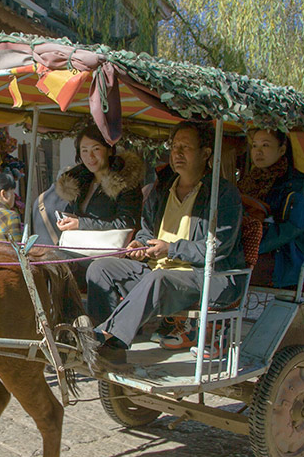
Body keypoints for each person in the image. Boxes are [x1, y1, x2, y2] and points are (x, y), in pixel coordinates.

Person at [84, 121, 246, 367]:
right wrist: (139, 245)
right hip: (159, 272)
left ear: (205, 153)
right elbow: (148, 231)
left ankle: (108, 337)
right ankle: (108, 345)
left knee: (158, 278)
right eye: (174, 147)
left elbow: (216, 249)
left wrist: (170, 249)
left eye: (185, 147)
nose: (177, 153)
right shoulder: (161, 190)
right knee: (100, 268)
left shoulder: (223, 194)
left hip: (207, 277)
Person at [238, 129, 304, 288]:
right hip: (254, 249)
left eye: (265, 145)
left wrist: (253, 247)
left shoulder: (296, 184)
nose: (258, 151)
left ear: (282, 149)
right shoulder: (248, 181)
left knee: (225, 270)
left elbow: (293, 227)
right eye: (255, 146)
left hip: (289, 256)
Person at [45, 123, 145, 240]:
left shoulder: (125, 182)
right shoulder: (80, 182)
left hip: (110, 253)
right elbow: (75, 214)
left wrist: (81, 224)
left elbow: (126, 223)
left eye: (96, 149)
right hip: (79, 248)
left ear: (109, 150)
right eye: (84, 151)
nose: (90, 156)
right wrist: (67, 220)